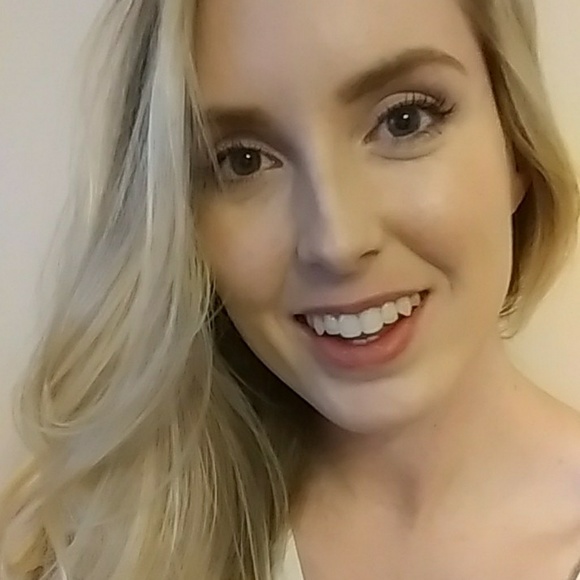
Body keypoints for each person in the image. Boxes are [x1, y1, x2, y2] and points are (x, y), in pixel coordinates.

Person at [1, 0, 579, 578]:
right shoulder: (94, 547)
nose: (337, 242)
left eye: (404, 120)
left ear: (514, 144)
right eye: (244, 161)